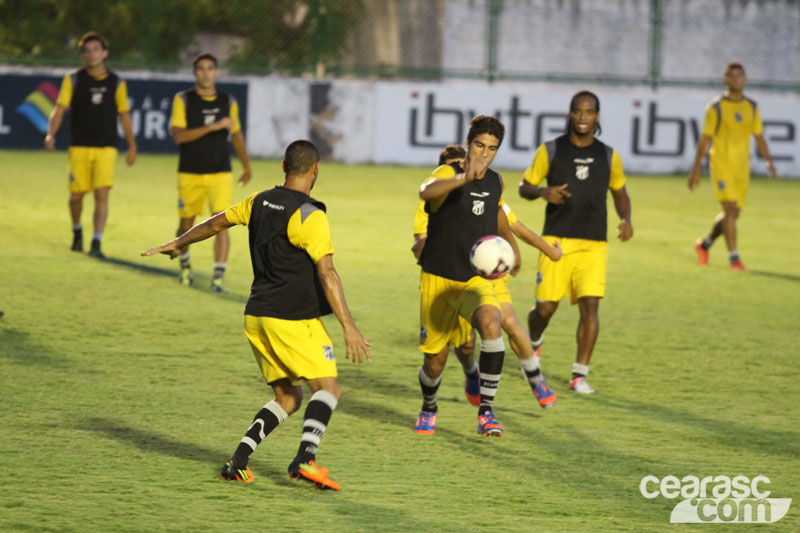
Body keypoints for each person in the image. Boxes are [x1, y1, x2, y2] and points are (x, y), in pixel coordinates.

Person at [142, 140, 370, 490]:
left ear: (283, 166)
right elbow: (328, 273)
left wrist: (179, 242)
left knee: (288, 398)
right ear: (315, 170)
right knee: (329, 389)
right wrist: (349, 326)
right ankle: (305, 459)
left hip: (257, 316)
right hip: (293, 318)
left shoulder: (259, 201)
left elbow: (216, 223)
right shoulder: (310, 214)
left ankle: (238, 462)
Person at [412, 147, 562, 414]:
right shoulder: (433, 201)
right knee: (464, 346)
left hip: (485, 273)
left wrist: (522, 251)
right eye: (453, 168)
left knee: (508, 322)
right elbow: (420, 242)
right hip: (448, 277)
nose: (464, 170)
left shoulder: (488, 188)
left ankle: (534, 380)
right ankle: (471, 372)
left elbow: (508, 221)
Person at [519, 90, 633, 394]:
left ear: (597, 116)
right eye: (578, 111)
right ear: (570, 114)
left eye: (589, 112)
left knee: (590, 307)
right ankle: (534, 342)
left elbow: (620, 193)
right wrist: (544, 192)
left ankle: (579, 376)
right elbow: (524, 187)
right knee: (544, 309)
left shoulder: (608, 155)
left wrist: (626, 218)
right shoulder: (551, 150)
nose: (583, 117)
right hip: (555, 242)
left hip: (593, 244)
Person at [415, 115, 521, 437]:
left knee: (492, 324)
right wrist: (464, 178)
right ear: (468, 143)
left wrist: (512, 248)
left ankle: (486, 412)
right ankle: (429, 406)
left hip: (474, 280)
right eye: (479, 145)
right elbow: (425, 192)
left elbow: (497, 215)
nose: (484, 154)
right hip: (438, 279)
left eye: (492, 148)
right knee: (435, 362)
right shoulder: (448, 173)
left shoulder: (497, 182)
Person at [45, 31, 137, 259]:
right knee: (76, 196)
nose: (92, 54)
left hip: (106, 148)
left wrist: (132, 145)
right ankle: (77, 231)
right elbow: (59, 108)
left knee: (101, 195)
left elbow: (124, 114)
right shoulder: (74, 80)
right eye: (87, 51)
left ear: (104, 53)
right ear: (83, 55)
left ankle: (96, 241)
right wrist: (51, 134)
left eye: (96, 49)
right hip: (80, 147)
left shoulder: (116, 82)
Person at [169, 52, 252, 292]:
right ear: (195, 73)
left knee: (222, 224)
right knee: (186, 225)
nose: (206, 73)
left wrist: (246, 165)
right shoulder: (183, 100)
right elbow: (179, 136)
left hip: (221, 173)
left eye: (210, 69)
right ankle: (185, 267)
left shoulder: (228, 101)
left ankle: (218, 279)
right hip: (190, 173)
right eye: (201, 69)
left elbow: (236, 134)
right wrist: (214, 126)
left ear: (216, 72)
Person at [689, 62, 776, 271]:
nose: (735, 79)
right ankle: (734, 259)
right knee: (729, 210)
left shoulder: (752, 107)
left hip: (741, 167)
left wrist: (769, 161)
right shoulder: (716, 107)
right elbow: (705, 139)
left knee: (734, 214)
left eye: (739, 75)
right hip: (721, 164)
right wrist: (695, 169)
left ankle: (704, 245)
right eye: (731, 75)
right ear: (725, 80)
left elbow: (759, 137)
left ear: (745, 79)